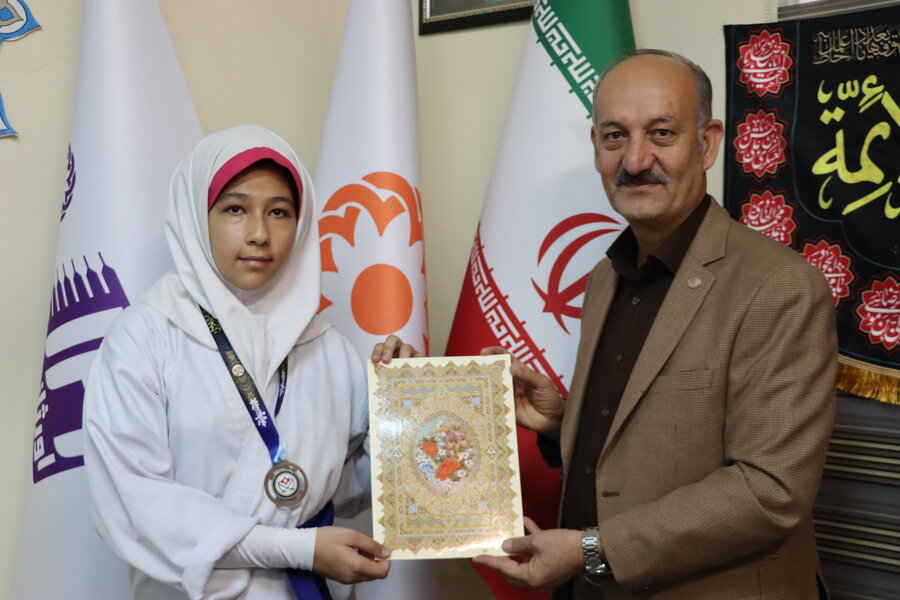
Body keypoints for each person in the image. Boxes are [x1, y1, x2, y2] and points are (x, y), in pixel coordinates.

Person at [377, 49, 837, 599]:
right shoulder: (605, 276)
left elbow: (769, 491)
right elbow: (652, 437)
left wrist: (593, 550)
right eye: (615, 136)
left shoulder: (780, 286)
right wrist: (560, 423)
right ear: (595, 145)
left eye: (662, 133)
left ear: (708, 142)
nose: (635, 160)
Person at [84, 125, 390, 600]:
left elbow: (347, 486)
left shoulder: (328, 348)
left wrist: (405, 406)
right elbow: (136, 503)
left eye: (279, 212)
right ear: (195, 216)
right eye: (235, 209)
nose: (259, 234)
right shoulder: (145, 337)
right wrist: (297, 549)